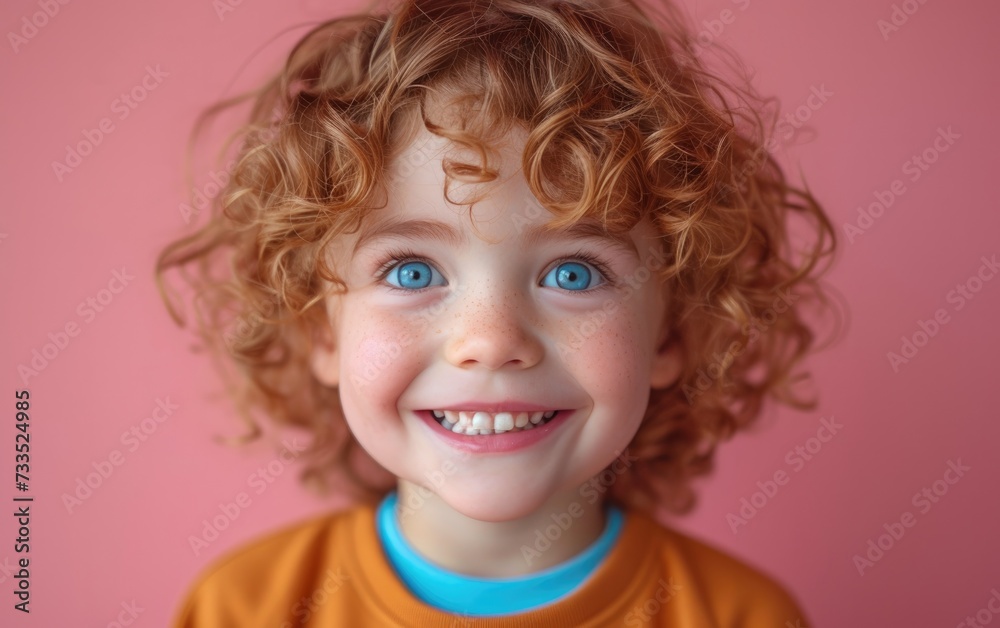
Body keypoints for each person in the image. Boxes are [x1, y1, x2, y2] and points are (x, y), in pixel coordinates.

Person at [157, 0, 838, 625]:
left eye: (573, 273)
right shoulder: (242, 609)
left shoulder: (742, 616)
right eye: (411, 271)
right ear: (318, 329)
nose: (490, 341)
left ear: (670, 332)